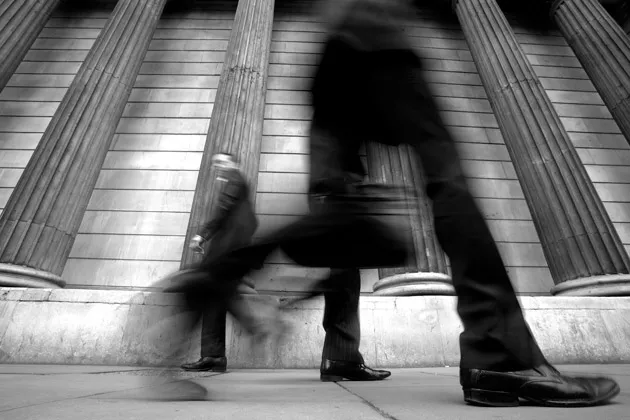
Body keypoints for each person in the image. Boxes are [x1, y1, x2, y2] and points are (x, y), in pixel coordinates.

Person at [193, 0, 621, 407]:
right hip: (375, 34)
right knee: (445, 176)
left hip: (334, 53)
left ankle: (226, 281)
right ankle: (499, 357)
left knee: (338, 209)